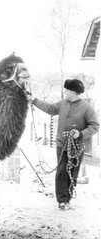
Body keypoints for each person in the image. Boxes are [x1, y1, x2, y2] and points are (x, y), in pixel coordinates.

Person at [28, 79, 99, 210]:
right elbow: (50, 109)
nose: (65, 91)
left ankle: (68, 196)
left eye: (67, 90)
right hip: (62, 144)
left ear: (74, 92)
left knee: (72, 172)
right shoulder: (63, 103)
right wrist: (34, 100)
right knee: (61, 171)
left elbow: (95, 126)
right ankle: (62, 200)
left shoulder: (87, 108)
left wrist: (81, 133)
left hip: (77, 146)